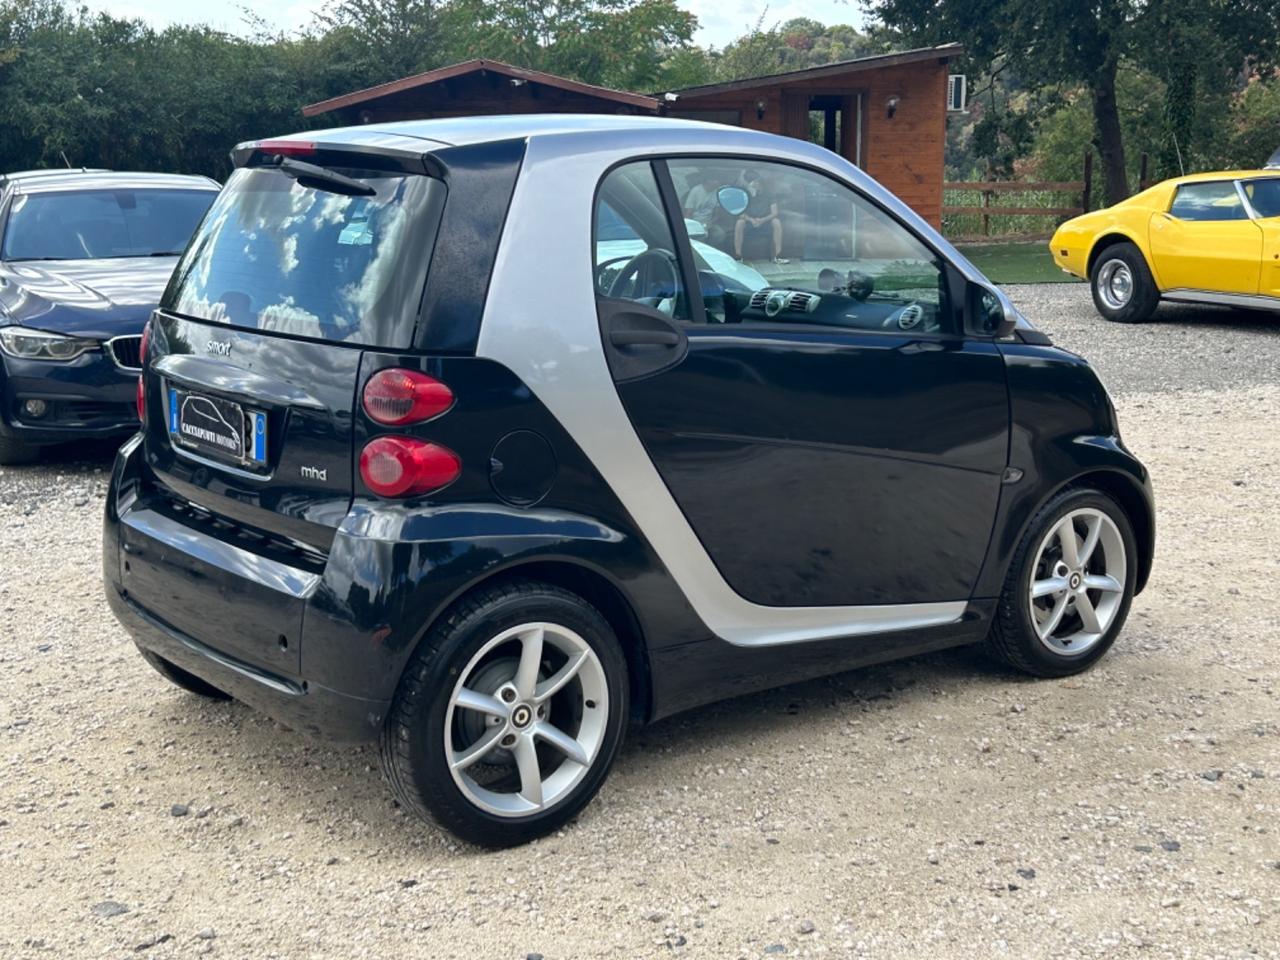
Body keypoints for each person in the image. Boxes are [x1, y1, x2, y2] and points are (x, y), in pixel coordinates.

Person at [734, 170, 786, 263]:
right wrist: (751, 220)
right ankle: (738, 256)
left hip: (765, 222)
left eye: (755, 182)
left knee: (776, 222)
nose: (753, 184)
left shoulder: (769, 194)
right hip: (749, 222)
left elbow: (775, 212)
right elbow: (740, 213)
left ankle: (778, 255)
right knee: (739, 222)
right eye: (751, 182)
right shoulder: (745, 194)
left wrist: (762, 220)